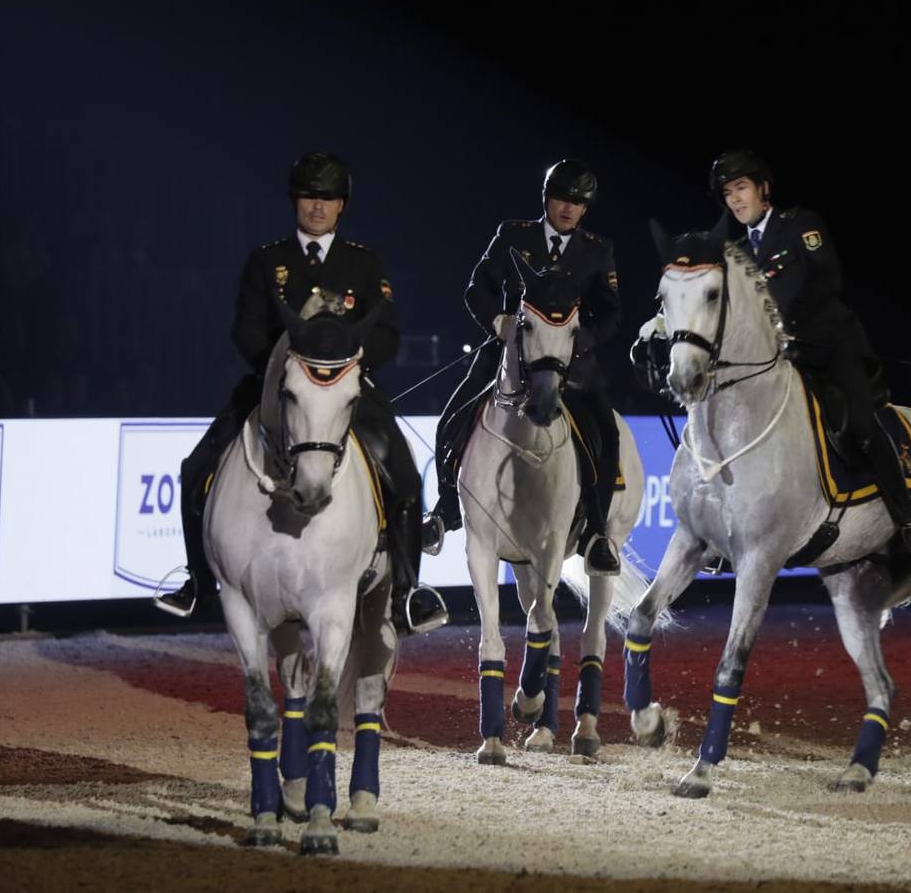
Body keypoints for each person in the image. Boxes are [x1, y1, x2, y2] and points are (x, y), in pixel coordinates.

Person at [155, 151, 448, 632]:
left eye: (328, 198)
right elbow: (245, 330)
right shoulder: (267, 261)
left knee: (403, 474)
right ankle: (198, 584)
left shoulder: (362, 262)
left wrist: (347, 363)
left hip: (346, 390)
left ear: (341, 206)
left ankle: (407, 591)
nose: (318, 207)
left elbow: (386, 335)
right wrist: (281, 366)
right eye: (310, 196)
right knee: (195, 469)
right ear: (295, 200)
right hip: (276, 389)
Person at [705, 149, 911, 568]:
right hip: (778, 363)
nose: (735, 200)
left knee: (862, 427)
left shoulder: (801, 225)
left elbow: (827, 280)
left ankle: (908, 521)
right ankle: (728, 536)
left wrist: (786, 326)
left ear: (763, 189)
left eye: (741, 188)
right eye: (728, 194)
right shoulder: (734, 252)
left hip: (829, 349)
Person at [421, 159, 623, 574]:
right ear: (546, 198)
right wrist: (497, 321)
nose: (568, 208)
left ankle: (596, 533)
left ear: (586, 209)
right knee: (450, 419)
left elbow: (610, 312)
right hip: (508, 356)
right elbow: (478, 288)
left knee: (606, 431)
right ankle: (445, 510)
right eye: (561, 199)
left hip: (569, 365)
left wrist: (580, 339)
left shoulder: (597, 251)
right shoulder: (514, 236)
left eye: (578, 203)